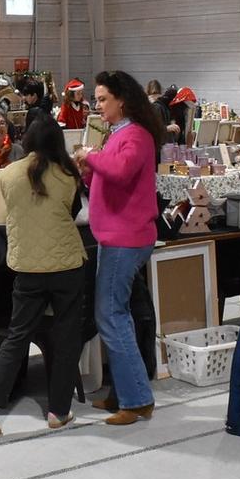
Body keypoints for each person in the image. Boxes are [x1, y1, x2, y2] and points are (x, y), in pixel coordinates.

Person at [0, 114, 85, 436]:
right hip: (66, 265)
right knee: (66, 338)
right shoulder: (68, 174)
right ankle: (58, 411)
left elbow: (1, 220)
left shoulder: (6, 174)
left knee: (17, 336)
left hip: (26, 266)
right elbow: (73, 213)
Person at [73, 70, 160, 426]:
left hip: (125, 238)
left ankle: (137, 398)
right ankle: (126, 392)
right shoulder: (120, 134)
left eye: (103, 99)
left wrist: (90, 156)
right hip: (117, 236)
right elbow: (110, 179)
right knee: (116, 315)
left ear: (121, 100)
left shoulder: (135, 135)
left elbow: (121, 171)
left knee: (111, 316)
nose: (97, 105)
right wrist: (88, 168)